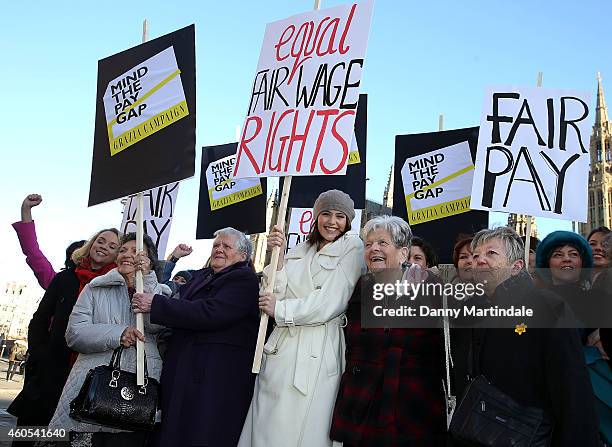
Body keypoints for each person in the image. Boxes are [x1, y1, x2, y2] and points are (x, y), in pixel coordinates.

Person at [451, 227, 601, 446]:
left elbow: (573, 395)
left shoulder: (548, 308)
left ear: (516, 267)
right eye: (475, 256)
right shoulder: (470, 312)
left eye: (491, 253)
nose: (479, 261)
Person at [238, 189, 364, 447]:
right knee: (267, 425)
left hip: (316, 347)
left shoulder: (353, 247)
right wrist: (279, 258)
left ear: (348, 222)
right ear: (315, 217)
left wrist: (282, 310)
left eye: (340, 216)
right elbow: (271, 294)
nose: (332, 221)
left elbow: (331, 302)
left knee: (302, 430)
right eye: (326, 214)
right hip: (281, 348)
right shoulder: (298, 249)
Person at [131, 228, 259, 447]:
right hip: (185, 371)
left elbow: (212, 312)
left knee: (201, 434)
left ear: (243, 256)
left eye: (226, 246)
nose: (219, 249)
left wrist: (157, 304)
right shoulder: (201, 276)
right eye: (216, 245)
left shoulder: (244, 279)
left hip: (214, 379)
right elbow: (175, 297)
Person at [331, 215, 446, 446]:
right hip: (361, 403)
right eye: (369, 244)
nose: (374, 248)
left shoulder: (431, 288)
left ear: (403, 253)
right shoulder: (361, 287)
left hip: (410, 407)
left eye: (382, 243)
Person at [45, 233, 168, 446]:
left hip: (137, 397)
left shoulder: (162, 293)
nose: (128, 255)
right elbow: (75, 334)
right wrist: (118, 334)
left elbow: (155, 325)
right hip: (91, 388)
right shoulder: (96, 287)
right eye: (123, 250)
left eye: (136, 251)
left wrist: (146, 281)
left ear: (149, 260)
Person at [8, 228, 120, 428]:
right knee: (31, 430)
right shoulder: (64, 278)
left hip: (85, 372)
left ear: (117, 255)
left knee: (63, 434)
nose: (104, 247)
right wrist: (38, 356)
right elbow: (40, 320)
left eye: (113, 246)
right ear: (92, 243)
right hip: (50, 369)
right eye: (101, 241)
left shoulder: (113, 288)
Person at [12, 194, 85, 290]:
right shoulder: (58, 283)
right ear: (72, 258)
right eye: (82, 254)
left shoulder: (106, 285)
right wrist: (26, 208)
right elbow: (32, 251)